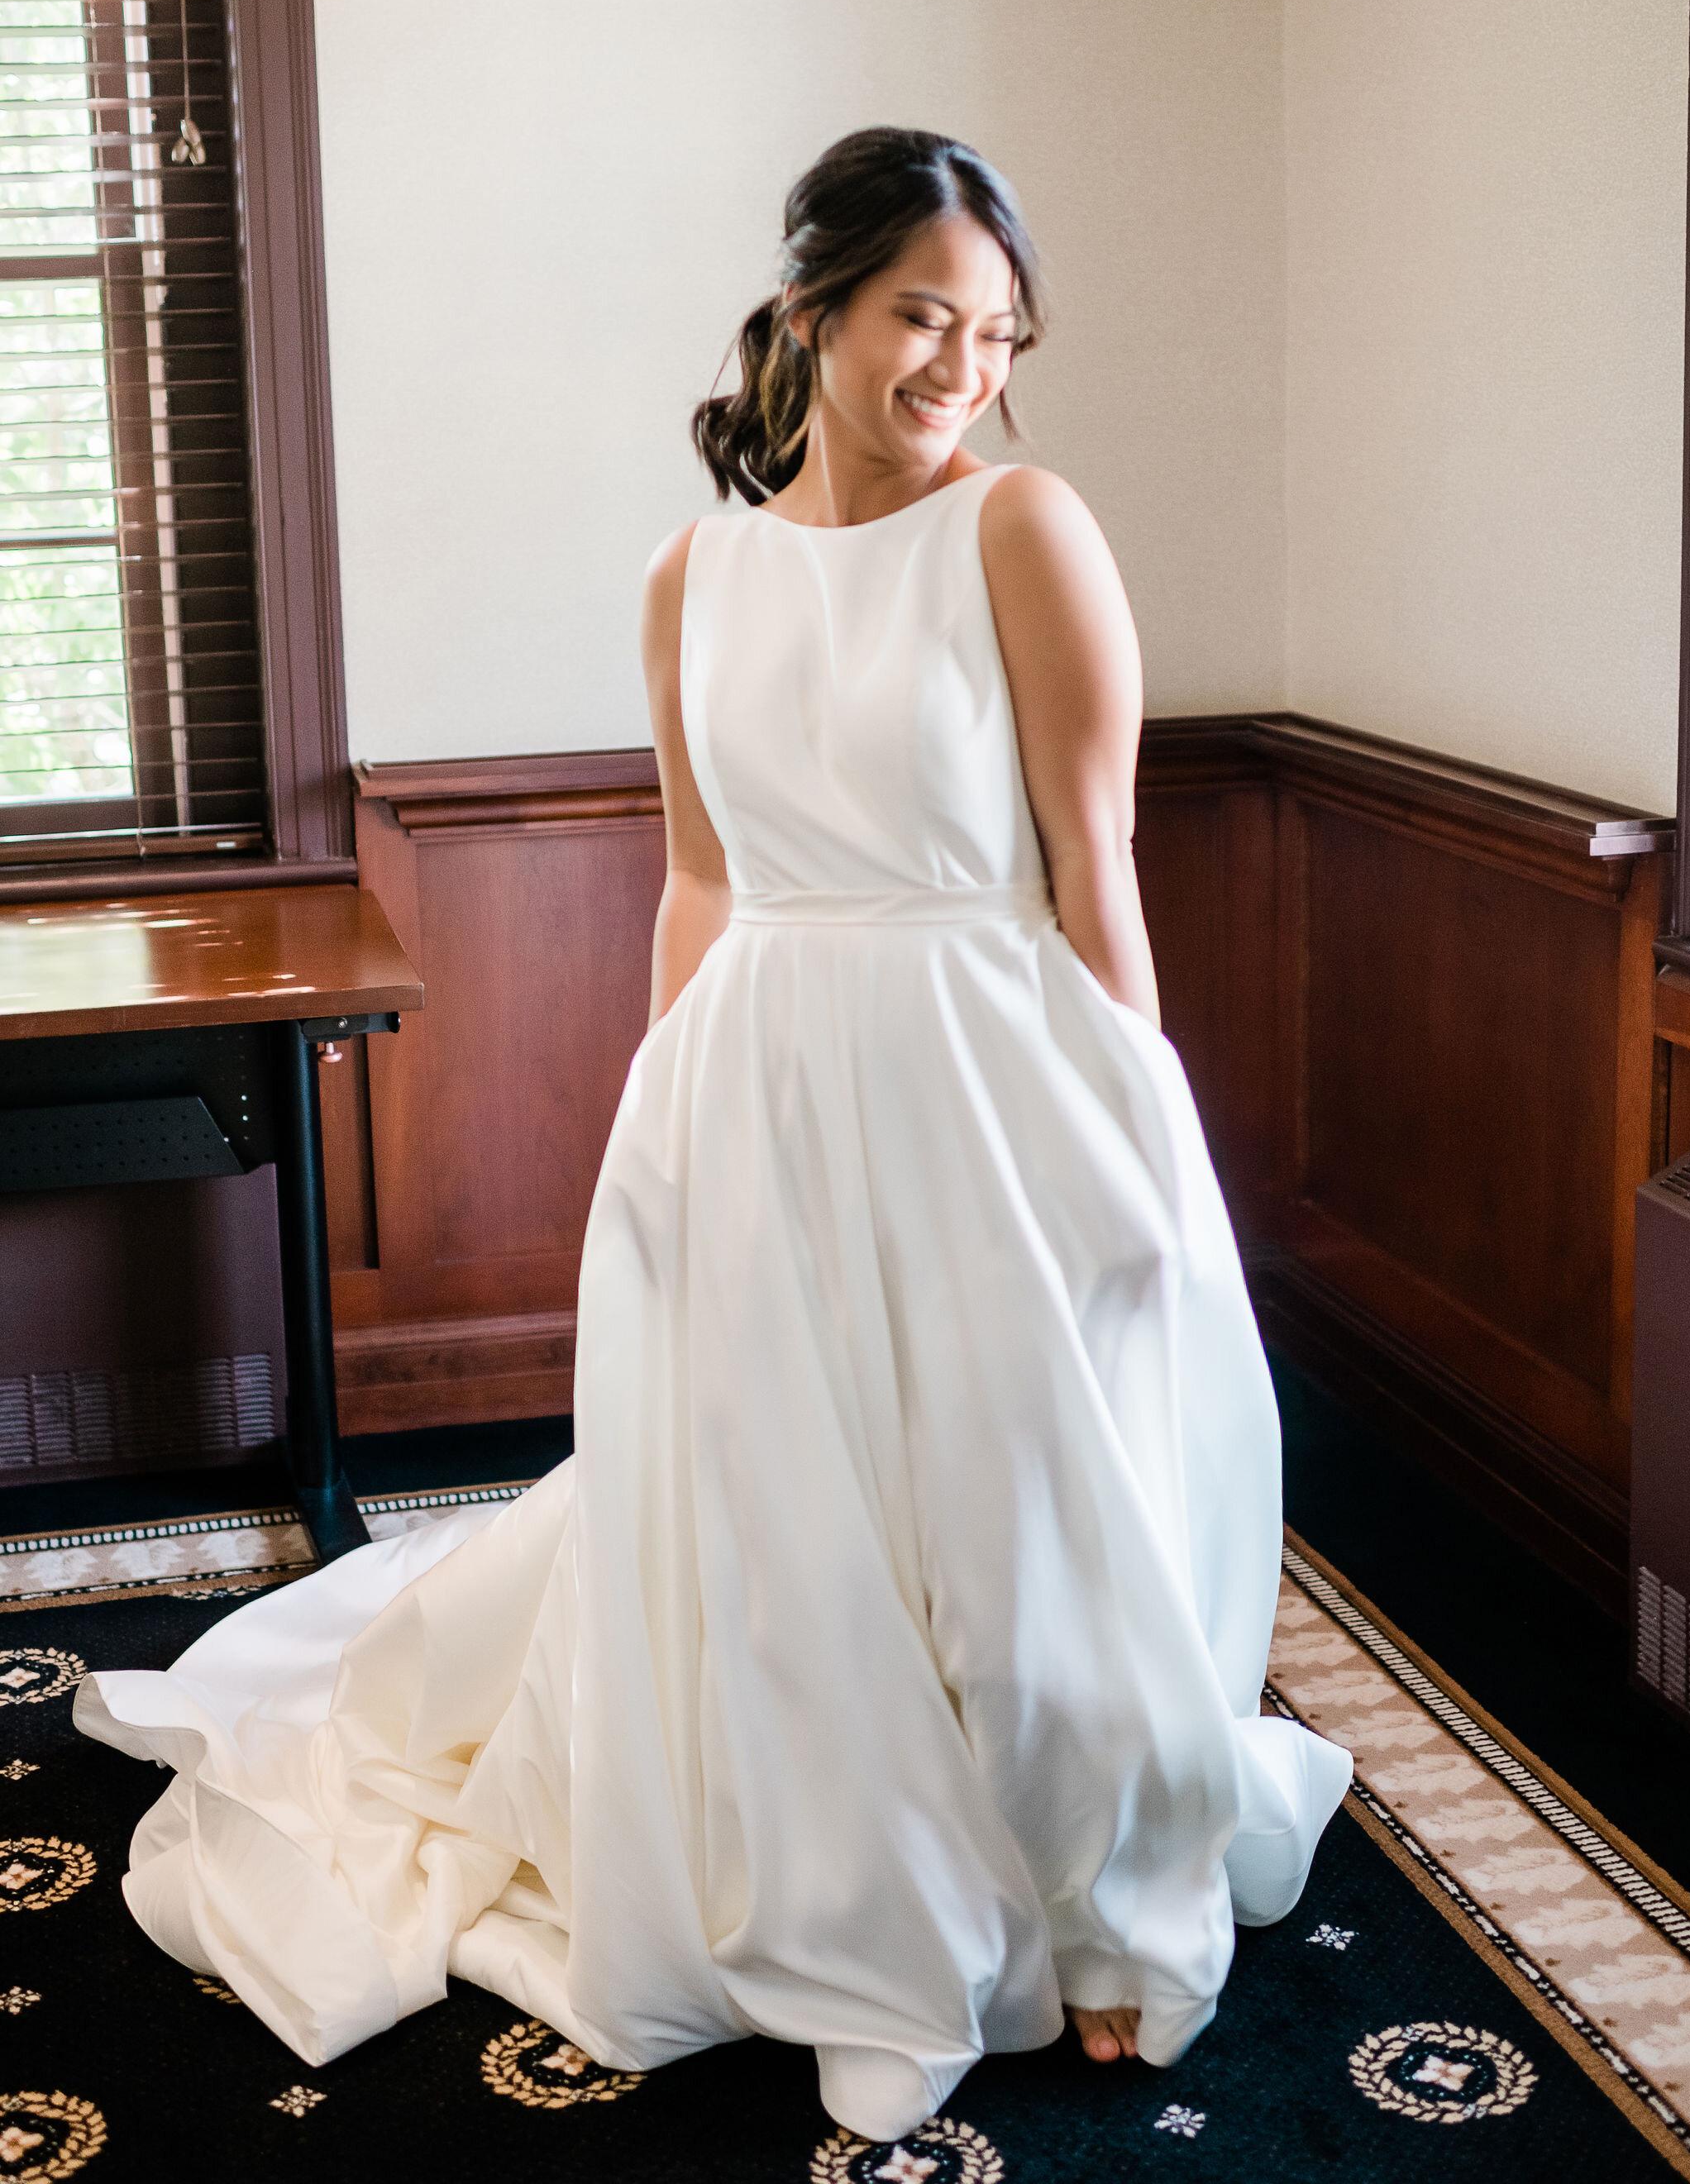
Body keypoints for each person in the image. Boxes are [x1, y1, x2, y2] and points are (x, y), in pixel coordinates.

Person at [75, 126, 1349, 2146]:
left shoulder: (1024, 531)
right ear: (811, 313)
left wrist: (1144, 1140)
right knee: (784, 1520)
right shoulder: (697, 573)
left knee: (1029, 1498)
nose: (962, 360)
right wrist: (658, 1109)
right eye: (925, 311)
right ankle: (856, 1895)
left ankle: (1103, 1906)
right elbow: (697, 877)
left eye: (998, 328)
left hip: (989, 1068)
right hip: (755, 1073)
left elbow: (1098, 868)